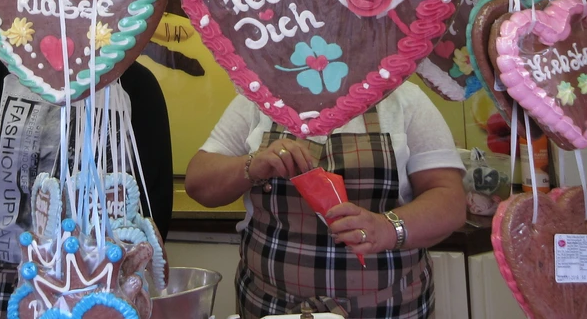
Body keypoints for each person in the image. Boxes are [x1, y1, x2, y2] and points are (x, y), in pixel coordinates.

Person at [0, 59, 173, 318]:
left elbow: (154, 210)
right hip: (4, 278)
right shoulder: (3, 76)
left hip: (103, 286)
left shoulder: (136, 85)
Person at [185, 81, 465, 319]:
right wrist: (250, 165)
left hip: (388, 307)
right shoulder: (258, 99)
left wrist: (388, 228)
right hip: (270, 308)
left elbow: (449, 201)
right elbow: (198, 183)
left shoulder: (405, 99)